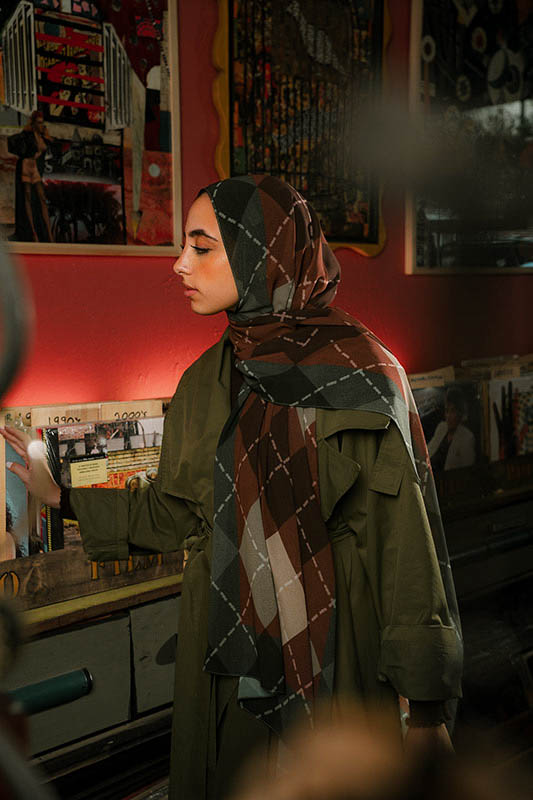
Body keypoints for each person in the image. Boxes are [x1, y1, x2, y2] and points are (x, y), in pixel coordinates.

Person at [1, 175, 463, 800]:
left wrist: (426, 709)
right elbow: (177, 512)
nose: (179, 265)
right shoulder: (206, 381)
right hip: (227, 653)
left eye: (202, 247)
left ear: (263, 252)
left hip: (339, 652)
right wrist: (64, 497)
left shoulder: (363, 376)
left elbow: (405, 548)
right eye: (182, 247)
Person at [10, 110, 54, 243]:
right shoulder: (27, 135)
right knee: (28, 199)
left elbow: (46, 146)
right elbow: (16, 143)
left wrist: (45, 135)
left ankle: (49, 235)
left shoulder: (42, 136)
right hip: (26, 166)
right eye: (39, 123)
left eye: (42, 123)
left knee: (42, 199)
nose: (41, 125)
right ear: (34, 123)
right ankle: (34, 234)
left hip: (34, 168)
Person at [427, 387, 476, 471]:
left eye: (452, 411)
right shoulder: (442, 427)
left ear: (459, 413)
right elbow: (428, 451)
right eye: (447, 411)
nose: (448, 416)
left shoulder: (467, 437)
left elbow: (468, 470)